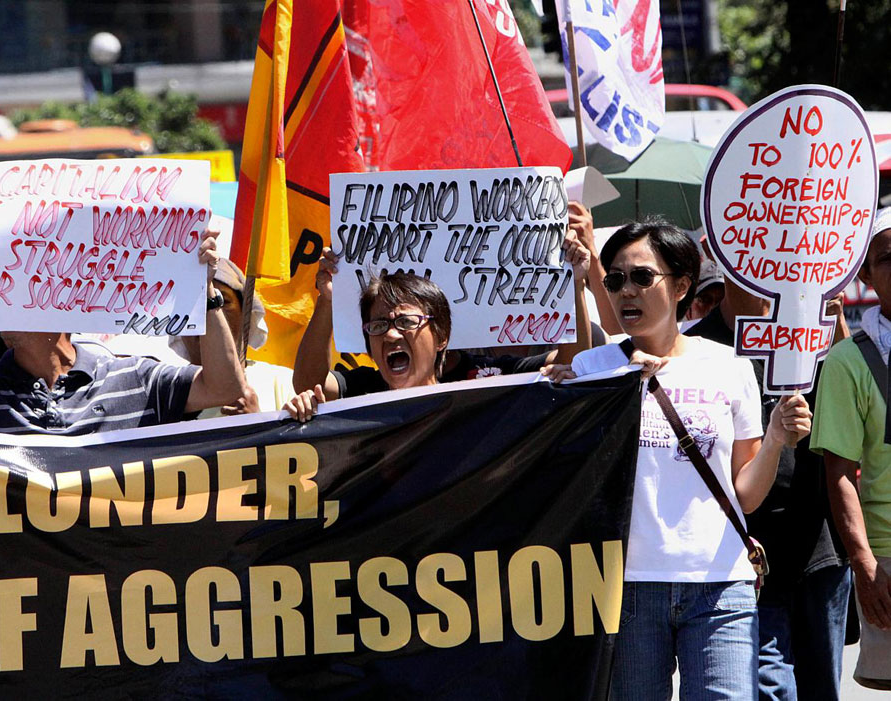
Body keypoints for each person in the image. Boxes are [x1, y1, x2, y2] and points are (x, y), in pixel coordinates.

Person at [547, 219, 811, 699]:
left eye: (642, 277)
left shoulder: (729, 368)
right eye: (614, 280)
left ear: (682, 284)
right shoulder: (592, 368)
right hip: (624, 589)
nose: (627, 291)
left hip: (720, 587)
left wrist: (774, 440)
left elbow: (747, 496)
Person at [687, 273, 851, 700]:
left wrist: (835, 326)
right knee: (771, 686)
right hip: (746, 549)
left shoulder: (811, 331)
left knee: (821, 688)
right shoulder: (698, 347)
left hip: (820, 544)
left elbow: (851, 409)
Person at [0, 229, 254, 434]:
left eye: (18, 284)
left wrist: (205, 289)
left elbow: (225, 388)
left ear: (62, 301)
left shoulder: (133, 378)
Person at [290, 227, 592, 405]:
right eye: (379, 325)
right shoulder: (366, 390)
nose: (391, 335)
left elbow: (571, 366)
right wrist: (327, 302)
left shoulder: (487, 380)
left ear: (442, 335)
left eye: (406, 322)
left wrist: (575, 284)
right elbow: (309, 385)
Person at [811, 208, 891, 690]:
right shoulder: (847, 361)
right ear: (865, 273)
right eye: (888, 258)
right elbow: (839, 472)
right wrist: (863, 562)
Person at [170, 258, 295, 415]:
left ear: (245, 314)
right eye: (193, 303)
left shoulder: (282, 383)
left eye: (222, 301)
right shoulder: (161, 394)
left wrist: (256, 422)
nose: (207, 314)